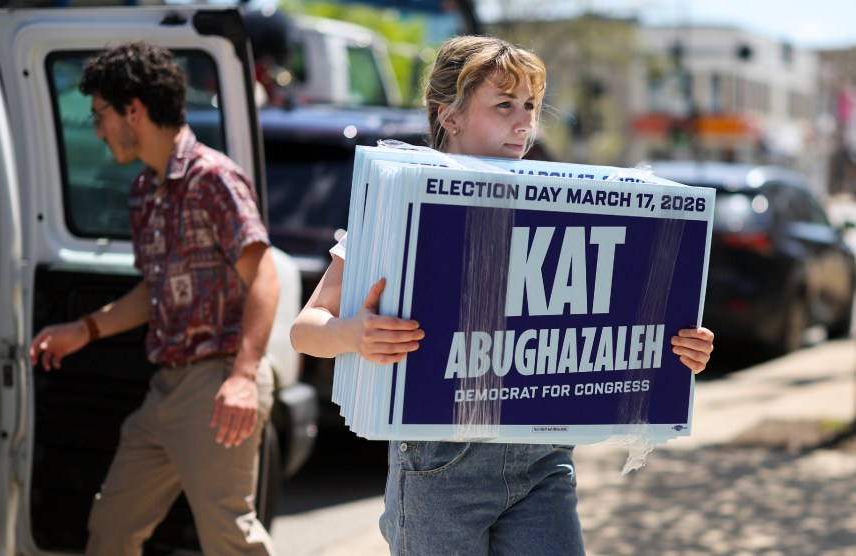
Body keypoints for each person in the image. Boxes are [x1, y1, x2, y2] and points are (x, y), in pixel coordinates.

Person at [289, 35, 715, 555]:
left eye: (531, 106)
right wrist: (352, 334)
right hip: (439, 470)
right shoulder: (400, 202)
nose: (524, 123)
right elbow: (304, 330)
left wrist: (677, 349)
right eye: (504, 105)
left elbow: (615, 322)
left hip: (545, 463)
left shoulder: (568, 205)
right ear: (449, 116)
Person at [28, 41, 280, 556]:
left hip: (217, 382)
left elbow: (265, 276)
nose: (96, 130)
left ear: (133, 110)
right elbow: (157, 289)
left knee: (230, 538)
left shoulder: (213, 179)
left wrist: (242, 376)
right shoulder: (144, 190)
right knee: (113, 526)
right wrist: (84, 330)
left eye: (100, 115)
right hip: (164, 388)